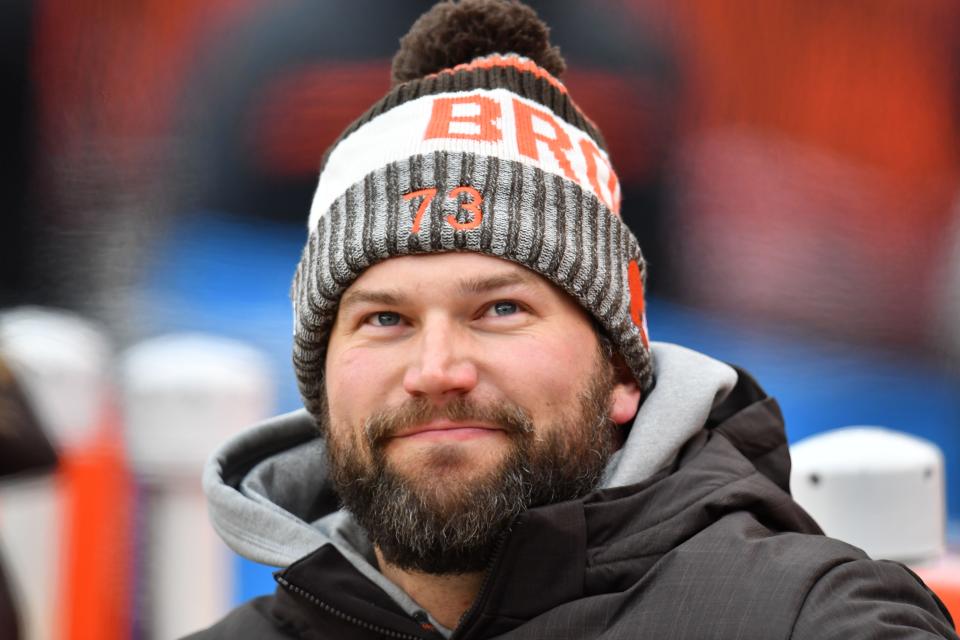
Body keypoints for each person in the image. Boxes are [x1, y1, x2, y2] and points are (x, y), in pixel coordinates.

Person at [187, 1, 958, 637]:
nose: (437, 368)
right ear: (321, 383)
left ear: (623, 369)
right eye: (385, 319)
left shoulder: (805, 621)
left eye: (499, 309)